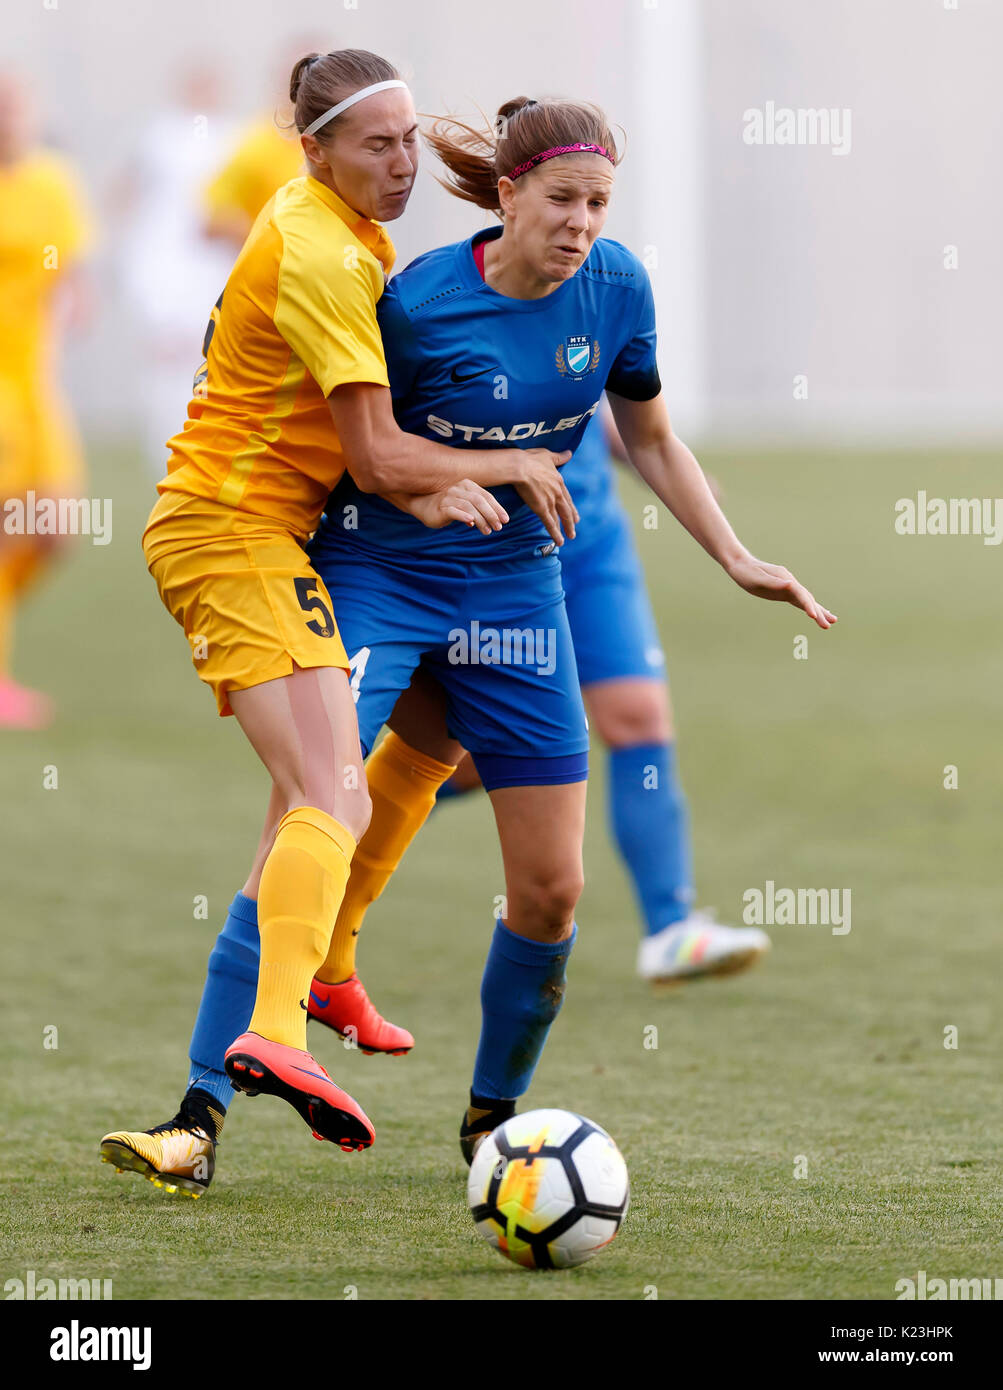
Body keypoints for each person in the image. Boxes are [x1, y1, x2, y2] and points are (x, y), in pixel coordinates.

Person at [106, 90, 836, 1194]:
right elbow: (358, 448)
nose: (583, 222)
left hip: (516, 601)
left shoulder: (619, 286)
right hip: (377, 575)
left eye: (597, 201)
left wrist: (735, 555)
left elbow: (652, 437)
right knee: (308, 812)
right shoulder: (416, 299)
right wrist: (447, 480)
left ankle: (491, 1123)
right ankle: (198, 1117)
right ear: (506, 196)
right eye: (562, 199)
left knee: (549, 890)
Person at [99, 51, 573, 1197]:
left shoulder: (332, 222)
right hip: (233, 534)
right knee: (326, 794)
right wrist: (498, 462)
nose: (404, 162)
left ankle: (310, 991)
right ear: (312, 149)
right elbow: (367, 450)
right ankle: (271, 1036)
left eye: (412, 139)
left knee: (402, 755)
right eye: (379, 144)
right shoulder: (318, 247)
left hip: (276, 537)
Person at [438, 406, 773, 984]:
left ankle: (671, 929)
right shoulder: (456, 313)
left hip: (591, 544)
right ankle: (327, 844)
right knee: (457, 758)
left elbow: (608, 397)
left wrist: (651, 461)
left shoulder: (601, 314)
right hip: (492, 549)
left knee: (638, 719)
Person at [0, 70, 94, 729]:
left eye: (16, 109)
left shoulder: (53, 182)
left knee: (54, 527)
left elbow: (75, 269)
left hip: (35, 380)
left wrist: (77, 301)